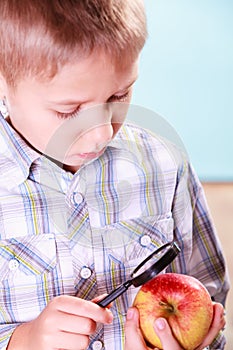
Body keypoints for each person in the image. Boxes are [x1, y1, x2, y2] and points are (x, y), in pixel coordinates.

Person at [0, 1, 229, 349]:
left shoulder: (163, 163)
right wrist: (22, 341)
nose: (101, 133)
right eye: (69, 111)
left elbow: (207, 294)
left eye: (119, 96)